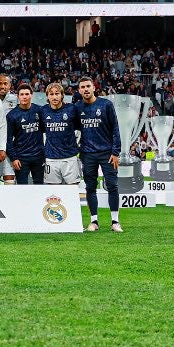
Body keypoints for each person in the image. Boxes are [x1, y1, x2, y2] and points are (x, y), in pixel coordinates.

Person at [76, 75, 123, 232]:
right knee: (90, 187)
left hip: (107, 153)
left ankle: (115, 222)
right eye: (82, 87)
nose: (86, 89)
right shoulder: (77, 108)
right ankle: (94, 222)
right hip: (87, 154)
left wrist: (115, 152)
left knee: (112, 186)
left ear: (94, 87)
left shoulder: (106, 105)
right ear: (79, 90)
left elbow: (115, 128)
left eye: (88, 86)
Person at [41, 82, 82, 185]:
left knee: (73, 189)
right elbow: (42, 130)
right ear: (47, 96)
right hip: (51, 158)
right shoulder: (43, 111)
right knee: (53, 191)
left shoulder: (72, 109)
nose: (54, 97)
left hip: (70, 157)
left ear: (62, 95)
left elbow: (79, 127)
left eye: (57, 93)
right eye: (51, 94)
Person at [6, 83, 45, 184]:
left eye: (27, 94)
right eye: (22, 94)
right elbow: (8, 139)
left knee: (39, 185)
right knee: (22, 186)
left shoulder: (40, 110)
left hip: (38, 156)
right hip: (21, 157)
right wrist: (14, 158)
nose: (24, 97)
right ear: (18, 96)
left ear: (31, 95)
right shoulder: (12, 115)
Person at [0, 74, 19, 184]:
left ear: (9, 85)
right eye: (0, 83)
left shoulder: (15, 100)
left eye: (5, 83)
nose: (2, 86)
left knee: (9, 178)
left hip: (10, 144)